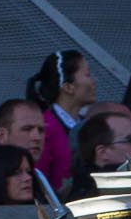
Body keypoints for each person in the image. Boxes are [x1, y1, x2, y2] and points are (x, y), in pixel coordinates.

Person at [26, 50, 94, 190]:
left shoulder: (86, 124)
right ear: (68, 87)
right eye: (87, 74)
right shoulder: (45, 127)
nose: (93, 81)